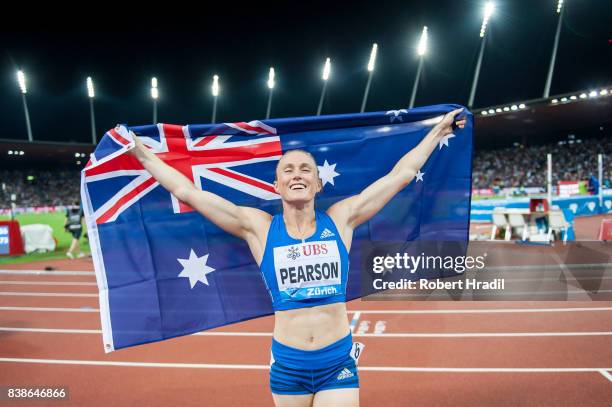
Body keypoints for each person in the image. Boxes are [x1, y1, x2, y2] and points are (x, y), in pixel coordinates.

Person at [128, 109, 466, 407]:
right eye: (288, 170)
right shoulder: (258, 228)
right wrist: (143, 156)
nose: (297, 174)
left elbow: (400, 176)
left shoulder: (341, 219)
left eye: (305, 169)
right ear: (277, 185)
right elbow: (189, 192)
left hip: (337, 361)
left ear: (318, 183)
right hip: (288, 365)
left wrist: (438, 131)